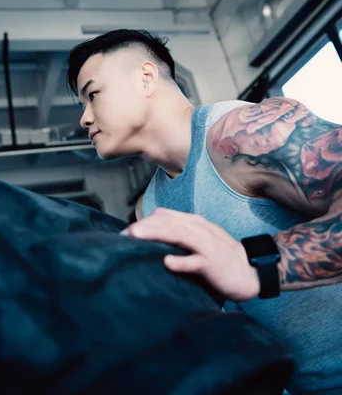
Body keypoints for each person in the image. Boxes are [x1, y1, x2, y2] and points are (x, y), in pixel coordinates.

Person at [67, 29, 342, 395]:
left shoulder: (245, 133)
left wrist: (255, 267)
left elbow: (244, 272)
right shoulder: (150, 208)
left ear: (146, 78)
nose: (85, 119)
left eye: (92, 95)